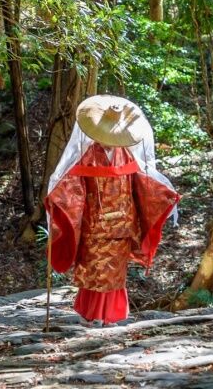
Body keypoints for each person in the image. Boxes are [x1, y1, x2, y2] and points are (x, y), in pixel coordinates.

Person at [43, 95, 180, 325]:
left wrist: (165, 194)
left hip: (122, 225)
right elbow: (72, 186)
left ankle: (111, 316)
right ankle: (90, 313)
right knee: (94, 268)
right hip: (93, 224)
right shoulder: (87, 155)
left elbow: (143, 183)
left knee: (115, 272)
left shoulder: (126, 153)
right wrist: (58, 198)